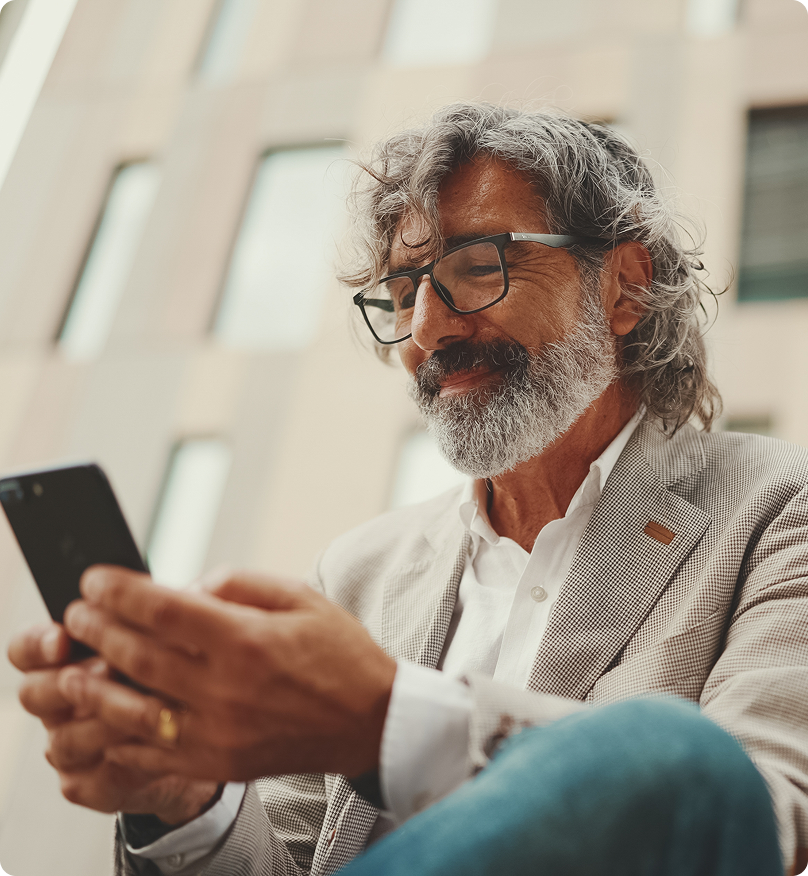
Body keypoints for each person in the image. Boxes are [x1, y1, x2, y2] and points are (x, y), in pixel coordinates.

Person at [8, 103, 808, 876]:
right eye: (401, 293)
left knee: (682, 762)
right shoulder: (357, 572)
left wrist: (383, 721)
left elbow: (760, 826)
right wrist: (184, 801)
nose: (426, 328)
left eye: (475, 267)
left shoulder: (777, 508)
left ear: (624, 287)